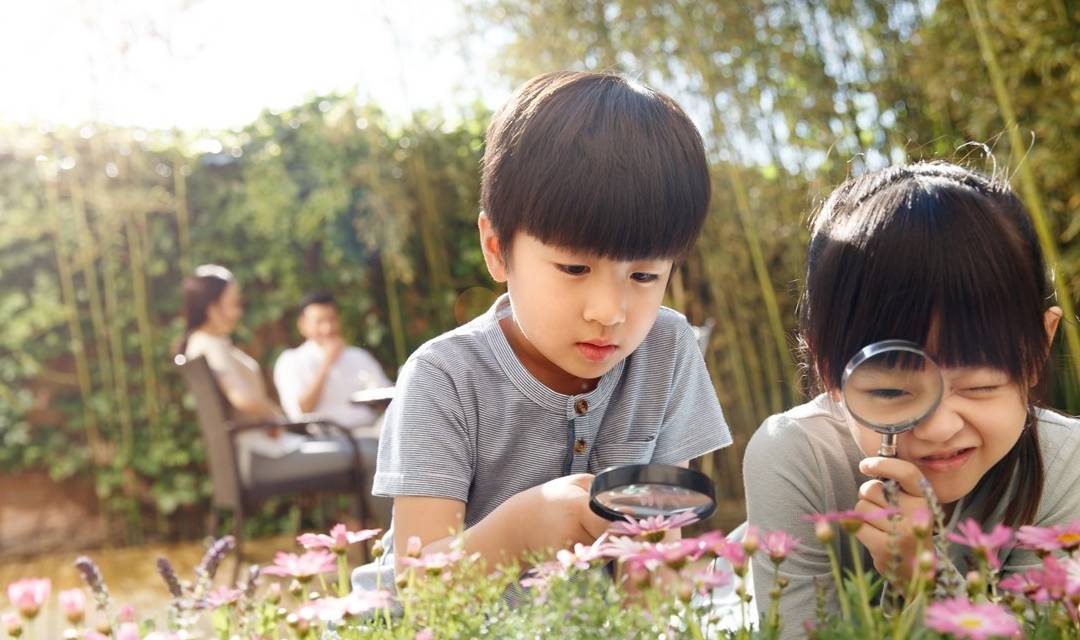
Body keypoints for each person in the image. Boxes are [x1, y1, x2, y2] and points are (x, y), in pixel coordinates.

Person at [359, 71, 732, 586]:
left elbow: (658, 546)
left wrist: (656, 582)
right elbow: (417, 587)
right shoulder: (443, 376)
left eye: (644, 275)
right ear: (496, 249)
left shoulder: (668, 349)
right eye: (574, 269)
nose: (609, 311)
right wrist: (517, 533)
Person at [742, 161, 1080, 635]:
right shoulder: (795, 456)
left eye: (981, 385)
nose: (940, 427)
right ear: (826, 367)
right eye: (891, 390)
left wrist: (928, 581)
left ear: (1039, 350)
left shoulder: (1065, 461)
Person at [179, 266, 360, 491]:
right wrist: (275, 417)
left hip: (260, 450)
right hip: (261, 456)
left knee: (364, 451)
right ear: (213, 308)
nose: (239, 311)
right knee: (365, 453)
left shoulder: (205, 344)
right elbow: (244, 399)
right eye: (234, 303)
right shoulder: (210, 346)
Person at [273, 292, 392, 432]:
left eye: (332, 320)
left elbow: (385, 396)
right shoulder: (291, 360)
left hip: (369, 431)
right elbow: (301, 410)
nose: (328, 328)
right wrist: (326, 364)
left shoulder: (359, 356)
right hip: (325, 438)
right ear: (302, 325)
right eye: (319, 322)